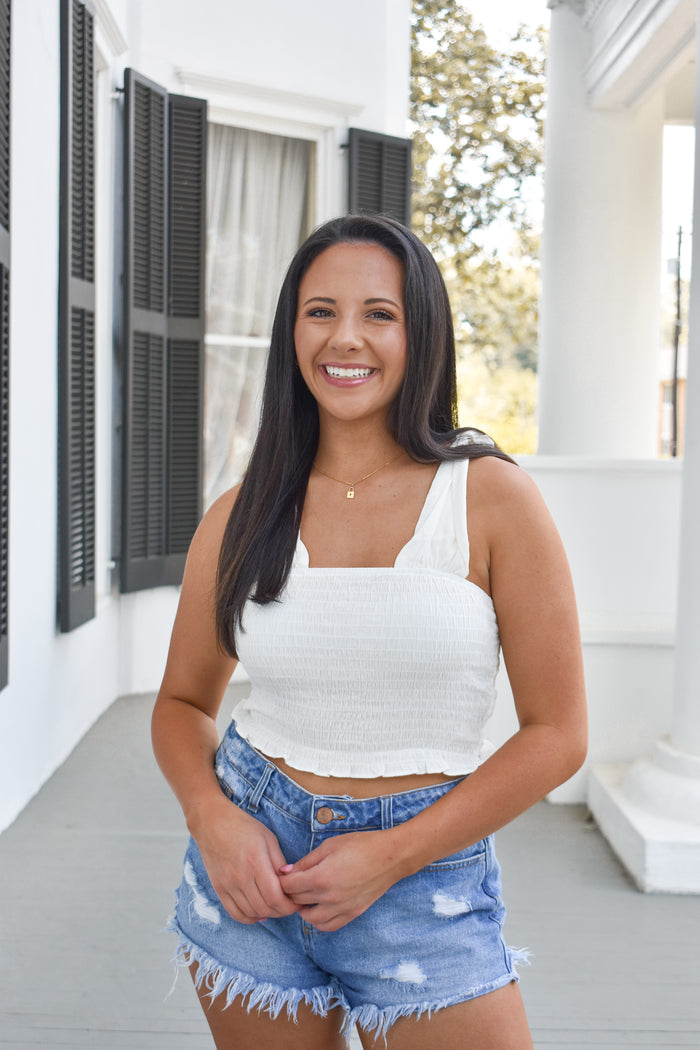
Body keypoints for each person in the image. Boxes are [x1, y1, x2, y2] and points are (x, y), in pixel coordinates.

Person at [152, 214, 587, 1050]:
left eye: (378, 314)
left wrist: (391, 855)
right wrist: (211, 817)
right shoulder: (241, 514)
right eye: (320, 311)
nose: (345, 338)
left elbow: (559, 735)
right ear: (292, 331)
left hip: (423, 885)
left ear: (421, 332)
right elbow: (179, 702)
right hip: (254, 877)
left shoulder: (491, 497)